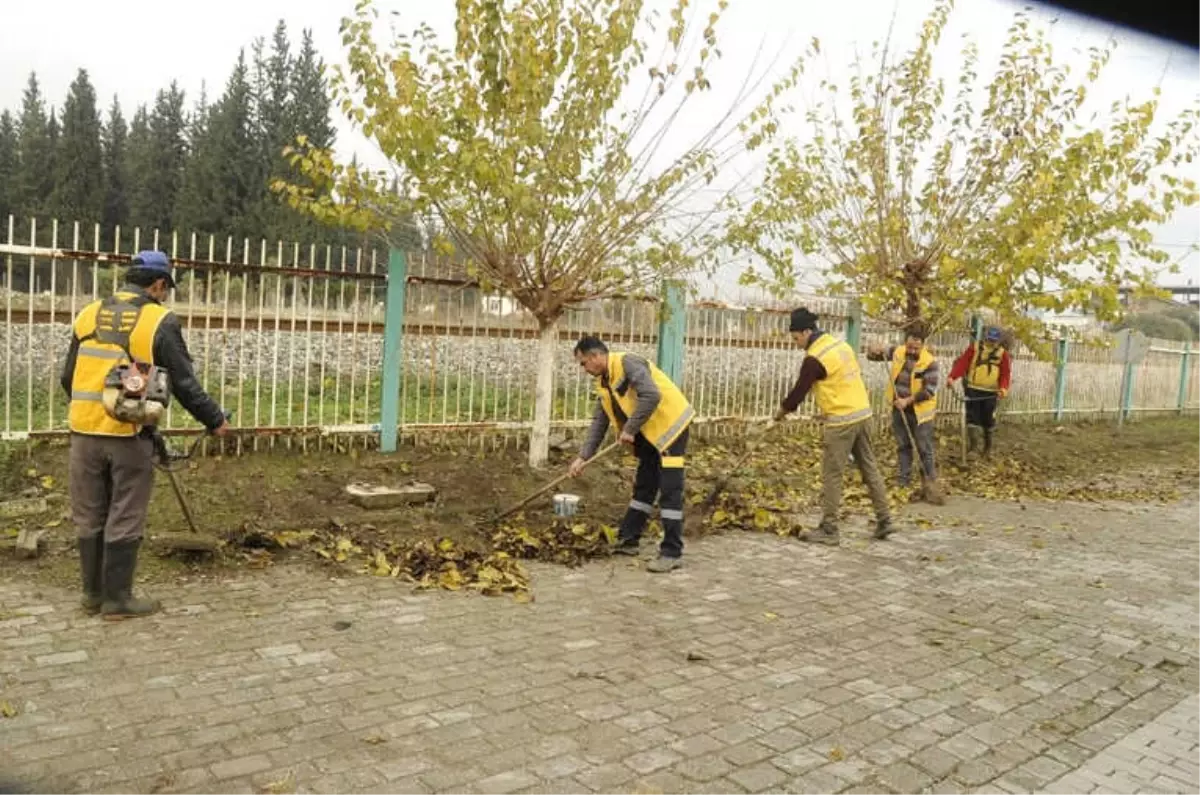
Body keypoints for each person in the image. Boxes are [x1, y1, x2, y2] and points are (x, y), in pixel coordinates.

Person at [61, 250, 230, 620]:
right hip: (128, 432)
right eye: (166, 286)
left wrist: (89, 410)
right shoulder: (159, 321)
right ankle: (118, 600)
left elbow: (66, 377)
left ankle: (92, 595)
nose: (166, 293)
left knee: (90, 513)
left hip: (83, 433)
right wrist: (215, 419)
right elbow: (184, 382)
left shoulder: (88, 313)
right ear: (157, 284)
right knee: (125, 512)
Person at [568, 336, 694, 573]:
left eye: (583, 363)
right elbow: (600, 421)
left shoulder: (627, 364)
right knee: (645, 484)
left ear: (595, 356)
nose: (583, 369)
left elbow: (652, 395)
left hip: (672, 428)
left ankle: (671, 551)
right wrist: (583, 457)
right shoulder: (604, 382)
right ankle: (629, 539)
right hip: (649, 432)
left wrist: (629, 429)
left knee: (670, 489)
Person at [773, 308, 893, 545]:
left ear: (807, 331)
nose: (797, 343)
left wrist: (782, 412)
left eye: (797, 338)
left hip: (841, 421)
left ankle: (829, 529)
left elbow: (800, 390)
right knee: (869, 468)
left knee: (832, 474)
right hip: (863, 414)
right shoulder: (841, 345)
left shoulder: (815, 357)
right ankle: (885, 519)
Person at [866, 325, 942, 501]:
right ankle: (904, 480)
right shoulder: (898, 351)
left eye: (916, 347)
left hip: (921, 411)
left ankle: (930, 482)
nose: (912, 350)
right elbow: (875, 356)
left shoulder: (930, 362)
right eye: (910, 346)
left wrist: (907, 401)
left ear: (923, 345)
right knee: (903, 445)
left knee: (924, 448)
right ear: (905, 342)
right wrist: (874, 350)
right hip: (899, 408)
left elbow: (929, 391)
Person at [947, 325, 1011, 457]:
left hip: (991, 393)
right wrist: (952, 377)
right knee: (973, 418)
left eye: (994, 340)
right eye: (989, 339)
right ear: (985, 337)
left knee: (988, 420)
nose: (991, 342)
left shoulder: (1003, 354)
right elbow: (963, 363)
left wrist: (1003, 388)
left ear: (998, 340)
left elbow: (1005, 373)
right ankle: (974, 448)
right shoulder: (974, 348)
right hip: (973, 389)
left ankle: (987, 448)